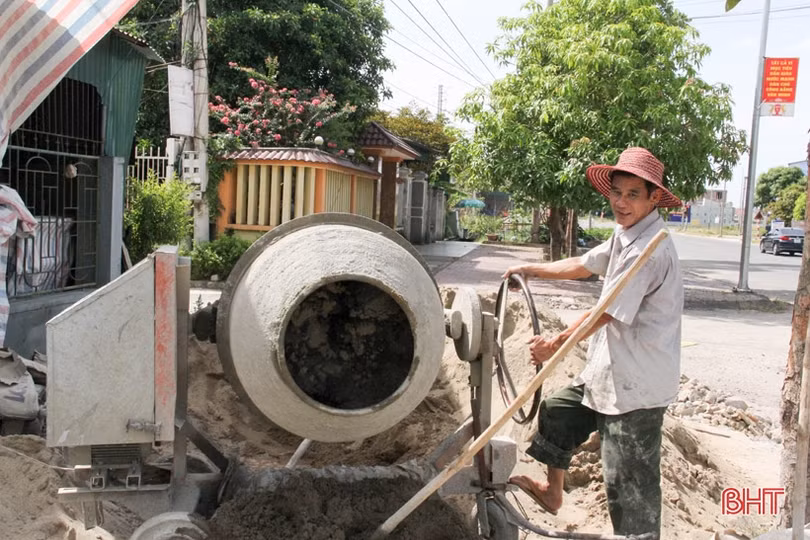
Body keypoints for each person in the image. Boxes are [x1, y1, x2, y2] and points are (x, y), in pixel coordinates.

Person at [502, 147, 684, 539]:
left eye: (633, 194)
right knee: (556, 412)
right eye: (617, 192)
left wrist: (556, 343)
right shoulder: (626, 234)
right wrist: (529, 270)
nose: (621, 202)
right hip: (609, 371)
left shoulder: (650, 249)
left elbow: (604, 311)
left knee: (628, 487)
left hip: (637, 386)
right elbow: (586, 264)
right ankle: (553, 493)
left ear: (654, 198)